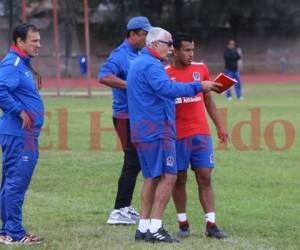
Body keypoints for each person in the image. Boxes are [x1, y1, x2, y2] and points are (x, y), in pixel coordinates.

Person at [127, 27, 222, 243]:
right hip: (157, 129)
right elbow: (166, 89)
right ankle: (156, 227)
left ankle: (143, 227)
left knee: (152, 178)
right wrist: (199, 86)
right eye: (168, 44)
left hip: (143, 129)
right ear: (153, 44)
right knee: (169, 176)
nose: (171, 49)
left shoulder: (139, 63)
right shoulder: (151, 65)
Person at [165, 33, 229, 239]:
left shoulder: (201, 69)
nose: (191, 54)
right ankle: (183, 223)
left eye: (193, 50)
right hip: (176, 136)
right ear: (174, 50)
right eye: (186, 50)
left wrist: (219, 126)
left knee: (205, 177)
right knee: (179, 180)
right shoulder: (164, 73)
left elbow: (208, 100)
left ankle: (211, 224)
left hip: (200, 134)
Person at [98, 16, 152, 225]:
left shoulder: (139, 53)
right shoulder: (120, 55)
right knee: (133, 162)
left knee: (135, 162)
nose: (147, 39)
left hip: (136, 116)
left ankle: (124, 207)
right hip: (124, 116)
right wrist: (131, 85)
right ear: (132, 34)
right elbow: (104, 76)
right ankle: (118, 210)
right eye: (144, 35)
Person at [0, 23, 44, 245]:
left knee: (10, 182)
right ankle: (15, 233)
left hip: (21, 134)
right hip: (19, 134)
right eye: (34, 40)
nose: (38, 44)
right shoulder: (13, 63)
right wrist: (18, 110)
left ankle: (5, 230)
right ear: (19, 42)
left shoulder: (21, 63)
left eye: (38, 40)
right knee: (16, 183)